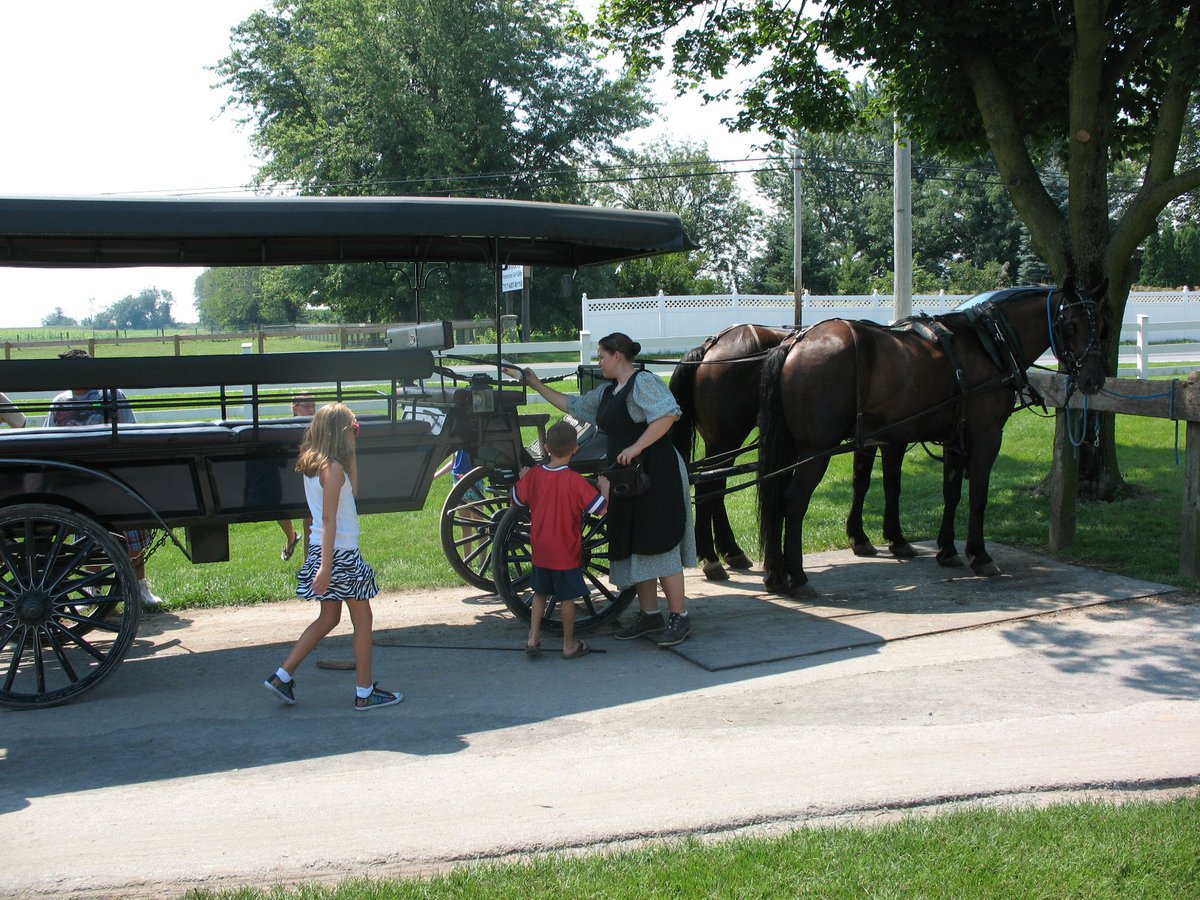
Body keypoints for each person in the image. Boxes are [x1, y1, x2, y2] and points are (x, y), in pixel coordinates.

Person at [521, 332, 698, 646]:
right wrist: (536, 384)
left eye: (602, 357)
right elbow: (572, 404)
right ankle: (649, 615)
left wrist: (636, 446)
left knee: (660, 542)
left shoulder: (642, 383)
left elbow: (669, 414)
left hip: (657, 474)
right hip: (628, 478)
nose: (599, 363)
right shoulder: (607, 393)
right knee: (636, 544)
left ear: (618, 355)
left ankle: (679, 617)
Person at [263, 402, 403, 710]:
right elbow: (326, 520)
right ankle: (365, 693)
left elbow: (354, 493)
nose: (356, 432)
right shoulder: (333, 470)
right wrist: (326, 567)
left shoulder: (318, 465)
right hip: (339, 555)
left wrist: (351, 450)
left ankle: (282, 676)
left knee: (329, 617)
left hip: (328, 551)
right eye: (353, 429)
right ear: (340, 433)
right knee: (363, 620)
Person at [45, 349, 163, 610]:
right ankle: (92, 587)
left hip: (112, 475)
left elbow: (129, 430)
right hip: (77, 480)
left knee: (131, 533)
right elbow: (49, 439)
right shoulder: (59, 402)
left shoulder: (112, 395)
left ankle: (140, 584)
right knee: (84, 535)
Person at [511, 419, 608, 659]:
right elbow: (600, 509)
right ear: (575, 449)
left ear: (546, 447)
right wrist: (604, 488)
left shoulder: (533, 476)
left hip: (541, 549)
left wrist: (522, 478)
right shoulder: (575, 481)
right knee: (567, 597)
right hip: (566, 551)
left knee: (540, 593)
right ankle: (568, 644)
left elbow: (514, 500)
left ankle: (533, 638)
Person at [278, 393, 317, 560]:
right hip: (288, 477)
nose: (311, 410)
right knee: (278, 511)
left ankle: (309, 563)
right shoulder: (284, 428)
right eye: (306, 406)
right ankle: (291, 537)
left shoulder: (317, 427)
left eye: (313, 405)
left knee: (310, 518)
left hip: (308, 475)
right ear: (295, 408)